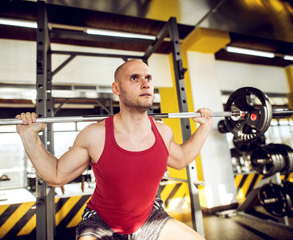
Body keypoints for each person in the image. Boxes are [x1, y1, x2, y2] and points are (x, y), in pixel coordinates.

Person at [16, 59, 212, 240]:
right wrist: (29, 137)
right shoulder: (95, 134)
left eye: (148, 78)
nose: (145, 83)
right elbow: (56, 175)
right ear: (116, 88)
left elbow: (182, 159)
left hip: (150, 216)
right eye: (135, 78)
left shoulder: (163, 132)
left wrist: (204, 127)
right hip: (101, 222)